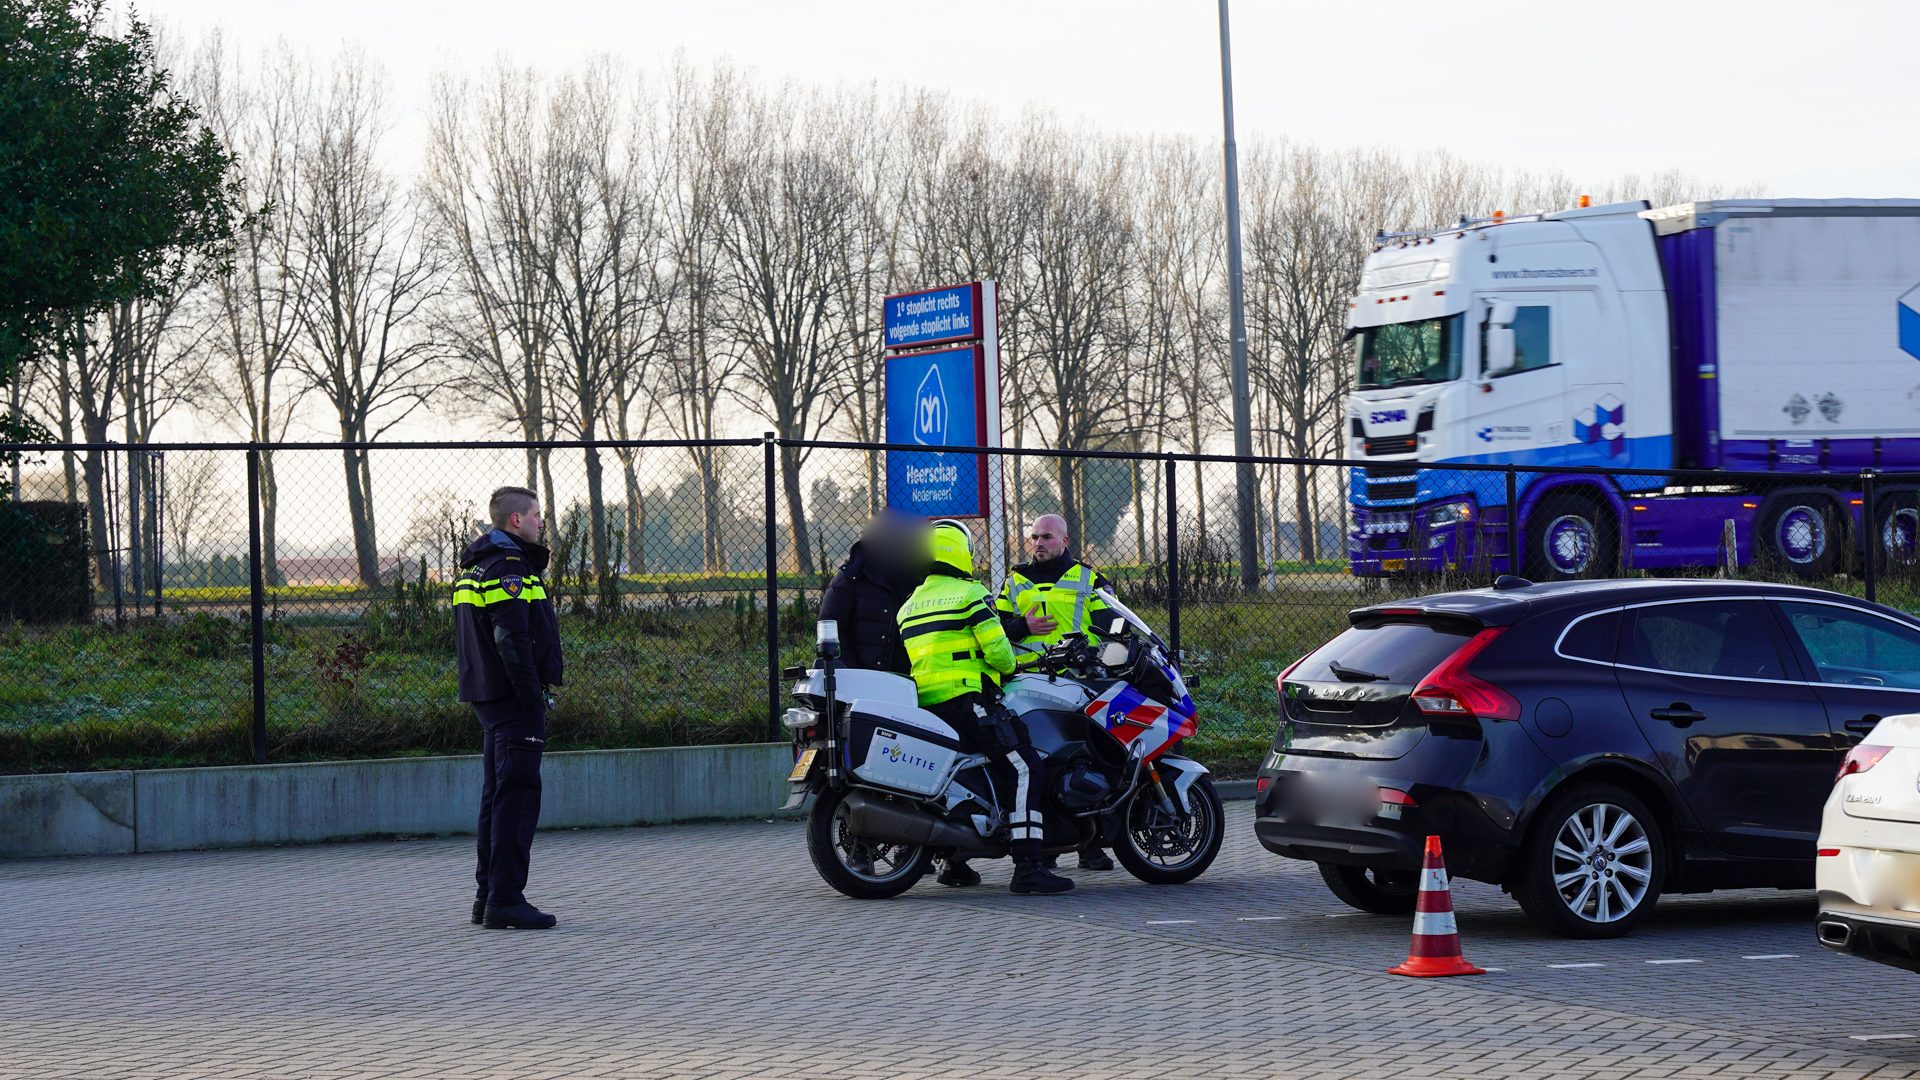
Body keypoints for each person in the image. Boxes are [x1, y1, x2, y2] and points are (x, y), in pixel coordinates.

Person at [899, 519, 1072, 895]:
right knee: (1026, 767)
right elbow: (999, 655)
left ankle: (954, 863)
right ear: (961, 553)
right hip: (969, 701)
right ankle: (1029, 865)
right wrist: (1012, 664)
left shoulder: (909, 605)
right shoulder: (970, 594)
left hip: (927, 707)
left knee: (965, 778)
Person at [455, 486, 565, 930]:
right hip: (514, 699)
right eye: (536, 514)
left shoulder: (480, 564)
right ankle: (505, 899)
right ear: (516, 520)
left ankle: (488, 896)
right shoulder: (509, 566)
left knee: (497, 797)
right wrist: (530, 694)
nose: (541, 521)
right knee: (517, 799)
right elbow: (511, 638)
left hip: (490, 696)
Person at [994, 512, 1119, 872]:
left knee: (1090, 761)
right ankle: (1047, 845)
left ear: (1065, 541)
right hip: (1030, 685)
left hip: (1081, 682)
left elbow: (1114, 624)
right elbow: (995, 627)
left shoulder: (1088, 578)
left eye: (1046, 537)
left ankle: (1090, 845)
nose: (1038, 543)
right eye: (1034, 537)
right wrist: (1023, 625)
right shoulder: (1015, 581)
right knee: (1042, 764)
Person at [818, 510, 929, 674]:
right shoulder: (850, 577)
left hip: (909, 679)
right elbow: (831, 627)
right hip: (860, 677)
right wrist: (855, 675)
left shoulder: (920, 578)